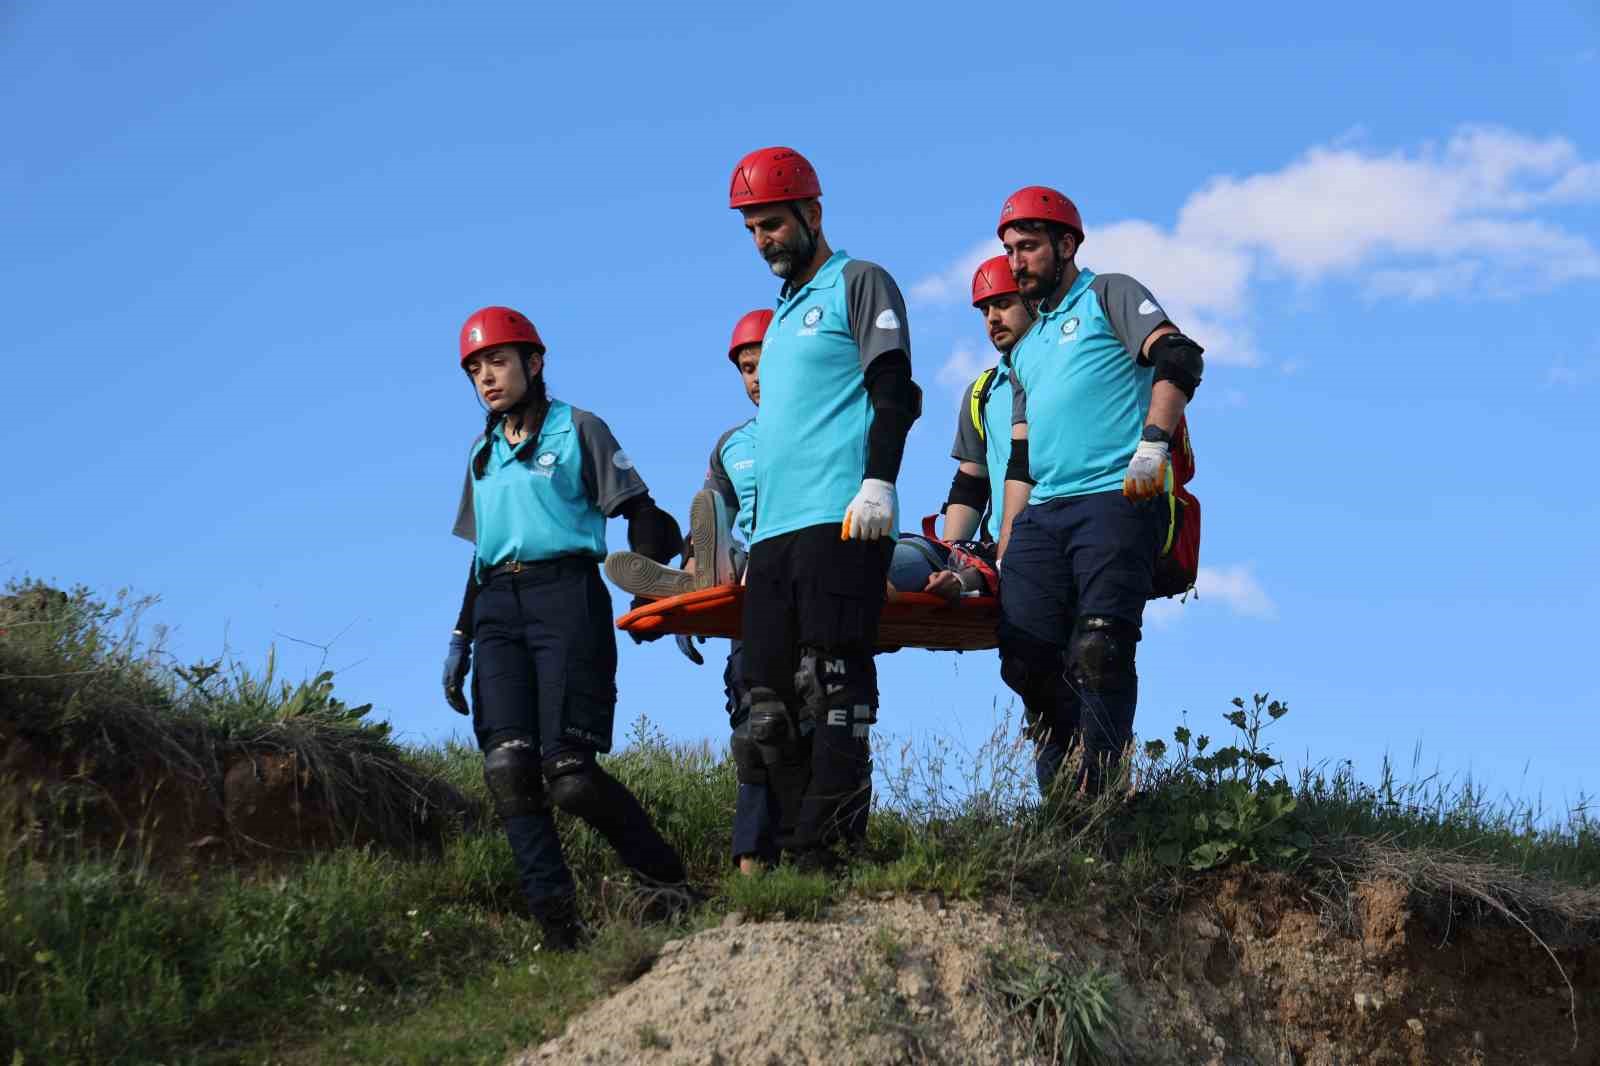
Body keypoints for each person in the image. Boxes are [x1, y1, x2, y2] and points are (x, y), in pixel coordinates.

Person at [441, 305, 693, 949]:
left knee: (571, 775)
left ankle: (668, 883)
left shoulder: (580, 429)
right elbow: (482, 554)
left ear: (534, 361)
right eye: (475, 369)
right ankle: (560, 933)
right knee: (506, 769)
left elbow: (642, 513)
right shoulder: (482, 455)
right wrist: (460, 637)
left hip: (567, 596)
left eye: (497, 361)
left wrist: (649, 581)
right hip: (496, 607)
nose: (487, 378)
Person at [728, 146, 922, 865]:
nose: (762, 242)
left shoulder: (859, 281)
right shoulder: (776, 321)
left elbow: (895, 389)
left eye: (773, 225)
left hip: (843, 516)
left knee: (837, 689)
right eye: (752, 230)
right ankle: (791, 852)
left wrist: (880, 482)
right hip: (775, 531)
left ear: (812, 212)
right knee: (767, 712)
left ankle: (827, 853)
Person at [994, 187, 1205, 796]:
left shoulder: (1108, 292)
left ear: (1065, 245)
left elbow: (1179, 356)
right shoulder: (1026, 348)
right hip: (1044, 510)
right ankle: (1060, 788)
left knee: (1100, 649)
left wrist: (1153, 443)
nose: (1016, 260)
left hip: (1116, 497)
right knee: (1024, 653)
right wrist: (1009, 539)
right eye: (1009, 249)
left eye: (1028, 246)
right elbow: (1022, 457)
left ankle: (1100, 794)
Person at [604, 308, 786, 874]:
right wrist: (691, 604)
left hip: (809, 574)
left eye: (764, 365)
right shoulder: (731, 445)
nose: (755, 378)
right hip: (747, 588)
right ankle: (694, 584)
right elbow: (713, 513)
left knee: (803, 722)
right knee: (753, 726)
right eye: (746, 369)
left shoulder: (830, 426)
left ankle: (803, 854)